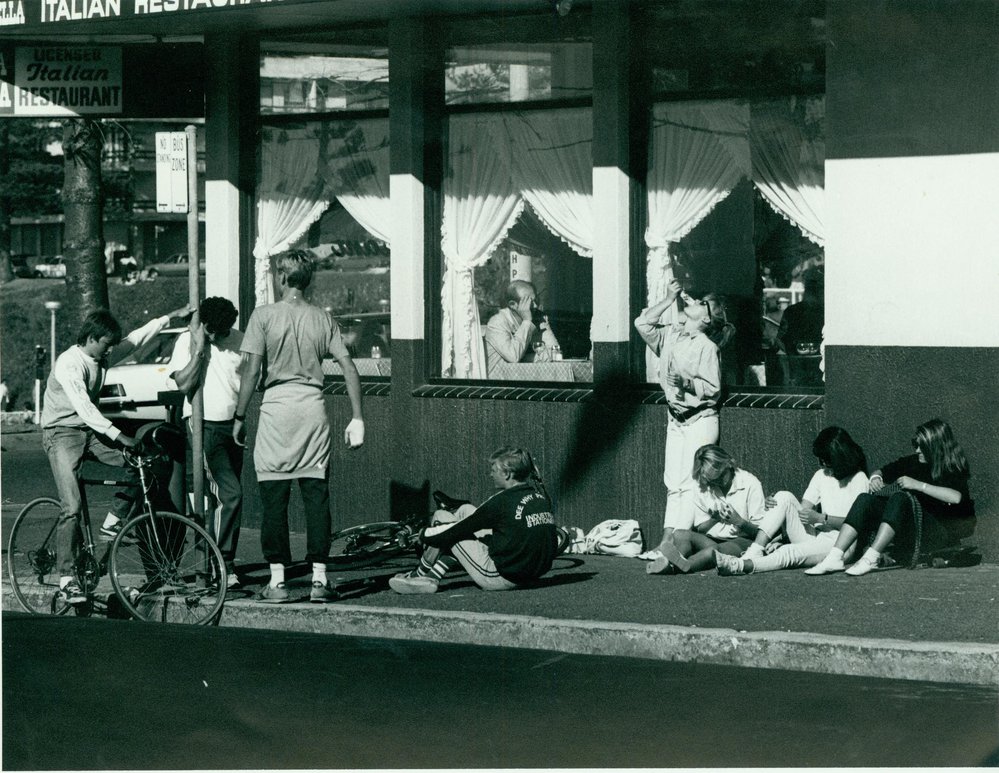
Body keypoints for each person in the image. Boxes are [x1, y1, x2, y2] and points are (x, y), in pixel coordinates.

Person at [234, 249, 365, 603]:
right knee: (316, 496)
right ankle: (319, 579)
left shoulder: (263, 316)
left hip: (277, 409)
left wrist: (239, 416)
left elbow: (250, 372)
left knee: (274, 498)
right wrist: (357, 416)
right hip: (312, 408)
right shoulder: (323, 319)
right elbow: (349, 368)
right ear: (308, 280)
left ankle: (277, 582)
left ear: (281, 277)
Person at [41, 305, 192, 604]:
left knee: (138, 461)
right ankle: (67, 579)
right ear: (92, 338)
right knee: (71, 506)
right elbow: (85, 407)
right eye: (107, 344)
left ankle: (114, 517)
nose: (111, 351)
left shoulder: (101, 355)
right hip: (61, 433)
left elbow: (136, 340)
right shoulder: (69, 364)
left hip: (89, 432)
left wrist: (170, 317)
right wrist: (120, 436)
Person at [635, 279, 736, 556]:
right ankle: (665, 542)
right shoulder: (671, 335)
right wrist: (669, 298)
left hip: (700, 419)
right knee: (673, 482)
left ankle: (675, 546)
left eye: (701, 302)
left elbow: (713, 390)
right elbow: (642, 324)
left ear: (705, 317)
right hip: (676, 418)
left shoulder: (707, 347)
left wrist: (686, 382)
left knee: (692, 484)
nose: (693, 300)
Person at [806, 418, 974, 577]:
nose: (917, 450)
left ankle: (870, 558)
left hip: (938, 535)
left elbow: (956, 497)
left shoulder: (952, 466)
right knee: (865, 499)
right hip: (912, 531)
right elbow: (882, 471)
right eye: (915, 444)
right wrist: (875, 478)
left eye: (921, 446)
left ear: (934, 447)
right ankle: (835, 556)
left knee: (901, 498)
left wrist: (919, 485)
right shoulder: (913, 461)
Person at [389, 446, 559, 594]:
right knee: (464, 510)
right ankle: (433, 576)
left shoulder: (501, 501)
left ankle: (420, 574)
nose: (490, 473)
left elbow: (456, 530)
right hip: (531, 574)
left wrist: (424, 533)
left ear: (507, 474)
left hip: (500, 577)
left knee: (446, 528)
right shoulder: (538, 498)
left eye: (494, 469)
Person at [714, 426, 869, 576]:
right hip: (817, 534)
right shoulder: (822, 475)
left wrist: (822, 518)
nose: (821, 465)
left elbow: (857, 523)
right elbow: (802, 510)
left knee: (789, 552)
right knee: (783, 496)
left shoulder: (859, 479)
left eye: (825, 460)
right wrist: (776, 510)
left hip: (840, 544)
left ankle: (741, 565)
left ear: (838, 458)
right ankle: (755, 550)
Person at [167, 297, 245, 589]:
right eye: (212, 331)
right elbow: (184, 384)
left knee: (224, 499)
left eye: (222, 332)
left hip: (235, 426)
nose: (217, 338)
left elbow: (250, 379)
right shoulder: (188, 340)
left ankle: (220, 561)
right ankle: (220, 561)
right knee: (230, 494)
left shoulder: (240, 340)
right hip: (204, 426)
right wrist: (201, 350)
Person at [646, 445, 768, 575]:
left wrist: (739, 521)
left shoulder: (750, 484)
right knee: (680, 534)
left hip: (741, 541)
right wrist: (715, 518)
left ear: (728, 464)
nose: (717, 484)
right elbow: (701, 528)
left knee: (713, 551)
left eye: (720, 478)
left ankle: (677, 566)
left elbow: (761, 533)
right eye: (711, 481)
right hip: (712, 538)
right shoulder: (705, 485)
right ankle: (676, 560)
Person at [484, 280, 560, 373]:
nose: (535, 306)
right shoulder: (497, 322)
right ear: (513, 305)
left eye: (535, 300)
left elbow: (556, 353)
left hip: (528, 376)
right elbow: (514, 356)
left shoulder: (539, 317)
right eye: (529, 302)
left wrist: (524, 357)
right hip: (499, 382)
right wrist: (527, 321)